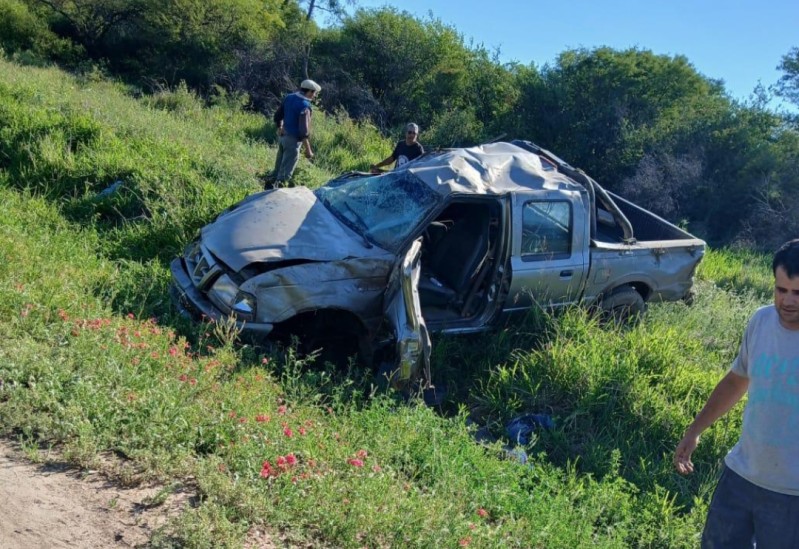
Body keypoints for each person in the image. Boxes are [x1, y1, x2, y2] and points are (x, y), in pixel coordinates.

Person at [674, 238, 799, 548]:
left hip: (791, 495)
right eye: (781, 290)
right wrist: (694, 431)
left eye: (798, 293)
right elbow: (735, 381)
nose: (787, 301)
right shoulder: (761, 321)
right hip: (741, 476)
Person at [269, 79, 321, 187]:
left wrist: (280, 127)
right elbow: (303, 132)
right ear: (310, 92)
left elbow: (278, 116)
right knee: (284, 174)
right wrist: (308, 150)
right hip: (292, 142)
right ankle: (278, 192)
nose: (314, 96)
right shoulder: (305, 106)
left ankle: (269, 186)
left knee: (278, 168)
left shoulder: (289, 97)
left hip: (283, 138)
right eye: (314, 93)